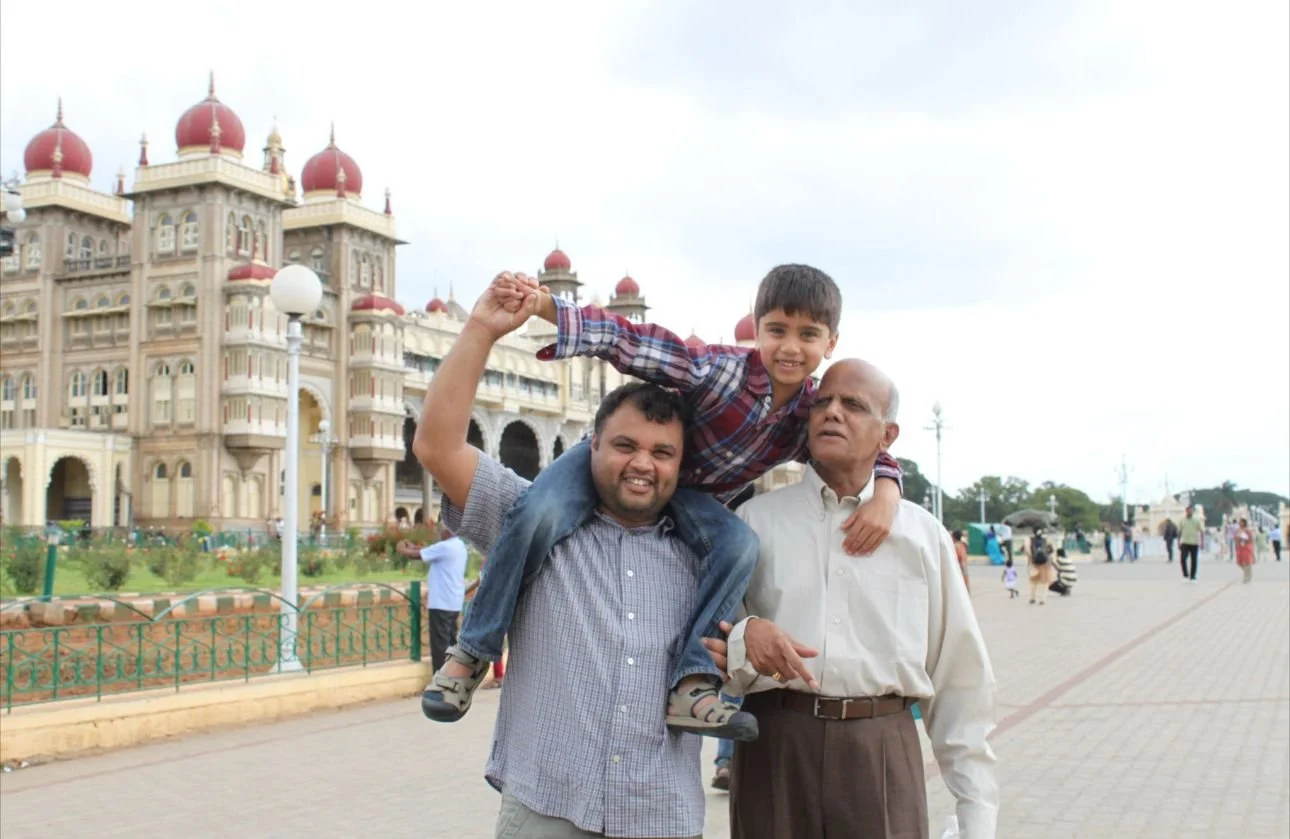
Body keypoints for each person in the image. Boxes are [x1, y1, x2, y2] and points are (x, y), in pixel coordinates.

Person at [424, 266, 908, 738]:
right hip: (616, 470)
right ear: (757, 329)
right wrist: (546, 305)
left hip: (684, 498)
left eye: (808, 335)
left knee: (739, 543)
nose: (790, 347)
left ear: (830, 343)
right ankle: (472, 650)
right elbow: (632, 342)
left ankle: (692, 683)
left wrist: (887, 489)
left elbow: (855, 448)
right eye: (777, 330)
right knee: (537, 512)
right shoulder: (720, 371)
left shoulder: (805, 417)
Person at [412, 282, 718, 838]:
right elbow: (436, 446)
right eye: (625, 446)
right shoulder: (530, 521)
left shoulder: (704, 556)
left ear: (681, 463)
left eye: (662, 452)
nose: (642, 464)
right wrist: (480, 331)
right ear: (592, 443)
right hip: (547, 809)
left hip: (661, 816)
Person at [705, 359, 998, 839]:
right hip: (775, 746)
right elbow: (716, 640)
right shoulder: (755, 523)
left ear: (888, 436)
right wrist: (745, 637)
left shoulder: (922, 536)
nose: (832, 413)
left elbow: (960, 679)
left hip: (881, 748)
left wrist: (977, 814)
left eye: (854, 405)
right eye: (822, 402)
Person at [397, 526, 468, 672]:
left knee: (440, 647)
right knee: (451, 644)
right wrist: (414, 547)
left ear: (449, 530)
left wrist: (401, 548)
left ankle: (440, 683)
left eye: (442, 528)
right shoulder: (459, 545)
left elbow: (415, 555)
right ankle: (452, 679)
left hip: (441, 604)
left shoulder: (445, 547)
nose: (439, 531)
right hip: (453, 603)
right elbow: (428, 550)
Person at [1028, 530, 1055, 605]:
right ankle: (1042, 599)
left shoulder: (1030, 540)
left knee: (1033, 582)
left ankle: (1032, 598)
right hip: (1044, 564)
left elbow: (1027, 551)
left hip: (1034, 564)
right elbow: (1052, 550)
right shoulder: (1046, 540)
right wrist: (1046, 554)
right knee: (1044, 582)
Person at [1178, 505, 1204, 582]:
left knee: (1194, 560)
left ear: (1193, 511)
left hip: (1194, 542)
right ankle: (1185, 575)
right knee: (1183, 559)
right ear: (1186, 511)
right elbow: (1179, 531)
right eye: (1188, 510)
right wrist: (1178, 542)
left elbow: (1201, 531)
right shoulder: (1182, 520)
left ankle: (1193, 576)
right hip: (1185, 542)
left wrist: (1202, 542)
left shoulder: (1197, 519)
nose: (1190, 512)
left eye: (1191, 510)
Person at [1234, 517, 1256, 584]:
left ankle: (1247, 577)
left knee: (1247, 562)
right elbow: (1235, 538)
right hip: (1239, 547)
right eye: (1239, 522)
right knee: (1239, 562)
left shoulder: (1247, 530)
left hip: (1246, 547)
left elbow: (1251, 539)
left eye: (1241, 522)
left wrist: (1244, 539)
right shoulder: (1238, 530)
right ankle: (1247, 573)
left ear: (1244, 523)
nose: (1239, 523)